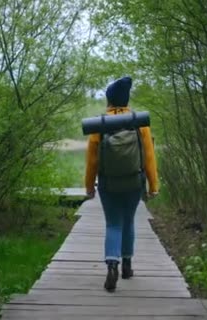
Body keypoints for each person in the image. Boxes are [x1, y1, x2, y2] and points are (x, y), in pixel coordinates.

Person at [84, 76, 159, 292]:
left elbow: (92, 160)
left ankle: (112, 266)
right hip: (134, 183)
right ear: (126, 100)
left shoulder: (101, 124)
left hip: (109, 184)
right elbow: (148, 157)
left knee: (113, 223)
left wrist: (89, 186)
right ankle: (127, 266)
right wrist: (153, 185)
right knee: (129, 221)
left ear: (109, 100)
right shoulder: (139, 123)